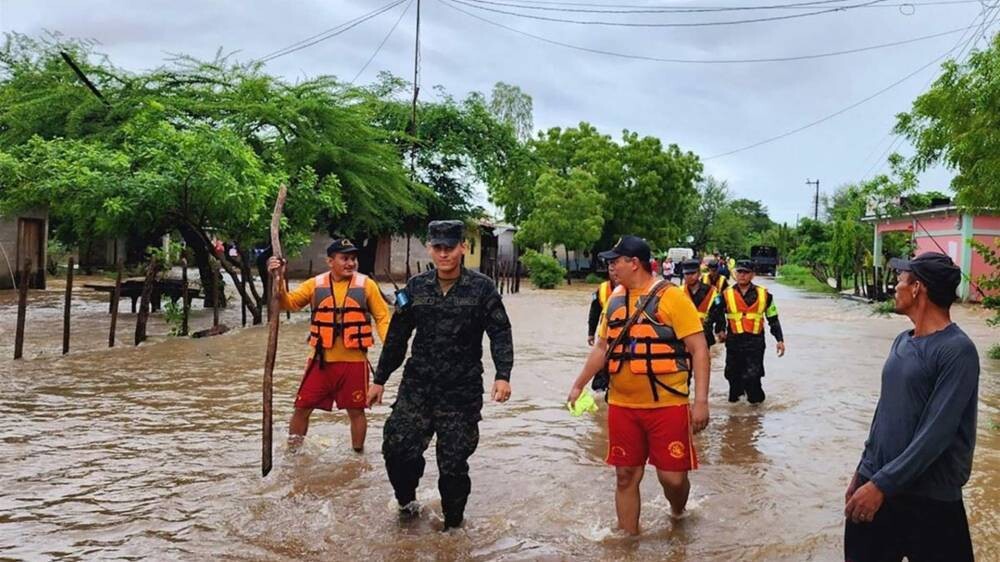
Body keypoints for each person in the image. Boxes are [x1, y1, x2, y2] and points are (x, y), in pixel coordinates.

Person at [367, 220, 514, 530]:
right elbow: (397, 338)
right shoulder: (416, 288)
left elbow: (500, 332)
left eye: (450, 247)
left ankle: (453, 530)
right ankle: (407, 505)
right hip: (417, 387)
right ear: (430, 249)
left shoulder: (482, 289)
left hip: (461, 391)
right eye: (438, 248)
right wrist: (379, 379)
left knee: (453, 465)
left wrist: (503, 374)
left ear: (463, 247)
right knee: (397, 449)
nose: (444, 254)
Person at [566, 235, 710, 535]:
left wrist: (701, 402)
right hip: (622, 405)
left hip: (667, 405)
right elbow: (602, 347)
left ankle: (678, 511)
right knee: (625, 476)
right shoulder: (614, 299)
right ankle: (628, 543)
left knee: (672, 479)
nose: (610, 267)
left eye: (615, 261)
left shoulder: (672, 298)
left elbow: (699, 349)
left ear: (634, 263)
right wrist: (579, 385)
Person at [844, 252, 978, 562]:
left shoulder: (957, 351)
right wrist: (862, 472)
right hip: (876, 485)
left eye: (901, 280)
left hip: (930, 499)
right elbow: (884, 415)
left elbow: (937, 433)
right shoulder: (902, 341)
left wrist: (881, 485)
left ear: (917, 288)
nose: (895, 286)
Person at [268, 238, 391, 453]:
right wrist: (278, 277)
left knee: (356, 411)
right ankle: (293, 455)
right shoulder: (315, 284)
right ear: (330, 261)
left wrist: (390, 346)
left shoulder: (367, 285)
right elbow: (288, 303)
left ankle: (357, 456)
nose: (350, 263)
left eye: (353, 259)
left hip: (354, 362)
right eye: (345, 258)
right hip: (320, 361)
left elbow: (382, 317)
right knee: (301, 408)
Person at [720, 260, 785, 404]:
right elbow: (715, 313)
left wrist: (779, 340)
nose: (742, 275)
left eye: (746, 272)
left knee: (752, 377)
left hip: (755, 343)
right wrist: (719, 330)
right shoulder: (725, 294)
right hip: (734, 342)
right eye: (739, 272)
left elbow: (773, 319)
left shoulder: (765, 295)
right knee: (733, 377)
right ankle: (735, 413)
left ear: (753, 275)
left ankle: (757, 410)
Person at [680, 259, 726, 347]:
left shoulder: (712, 292)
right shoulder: (679, 292)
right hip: (684, 335)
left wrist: (720, 329)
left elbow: (719, 311)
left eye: (693, 273)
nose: (690, 276)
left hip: (705, 333)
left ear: (699, 273)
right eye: (687, 274)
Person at [587, 270, 618, 346]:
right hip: (605, 333)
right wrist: (591, 333)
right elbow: (594, 312)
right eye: (611, 270)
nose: (614, 273)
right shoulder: (602, 288)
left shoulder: (633, 287)